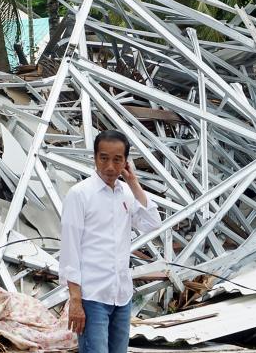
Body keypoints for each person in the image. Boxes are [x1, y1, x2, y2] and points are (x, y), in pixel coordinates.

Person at [59, 130, 162, 353]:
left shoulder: (126, 193)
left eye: (117, 160)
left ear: (126, 162)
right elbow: (70, 250)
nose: (110, 166)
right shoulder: (80, 194)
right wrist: (75, 300)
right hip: (92, 296)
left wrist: (133, 183)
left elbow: (153, 223)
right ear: (95, 158)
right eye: (104, 158)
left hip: (121, 295)